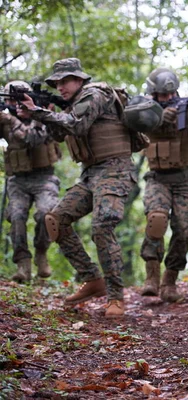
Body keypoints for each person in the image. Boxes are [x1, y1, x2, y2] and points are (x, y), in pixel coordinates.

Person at [20, 58, 137, 317]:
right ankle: (92, 278)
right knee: (55, 220)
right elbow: (58, 135)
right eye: (56, 83)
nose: (60, 87)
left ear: (80, 79)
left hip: (115, 169)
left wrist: (41, 112)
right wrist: (40, 112)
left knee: (102, 225)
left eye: (65, 81)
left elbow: (77, 124)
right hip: (91, 173)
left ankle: (116, 296)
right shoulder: (72, 103)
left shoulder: (95, 94)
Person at [140, 68, 188, 302]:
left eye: (170, 94)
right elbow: (131, 129)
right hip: (157, 179)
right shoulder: (144, 110)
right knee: (156, 220)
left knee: (184, 230)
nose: (166, 99)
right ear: (152, 94)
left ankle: (170, 281)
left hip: (186, 179)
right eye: (161, 96)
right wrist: (155, 119)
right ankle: (151, 277)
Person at [0, 81, 61, 283]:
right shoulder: (5, 120)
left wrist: (37, 113)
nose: (17, 106)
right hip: (18, 179)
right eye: (12, 101)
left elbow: (33, 139)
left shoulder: (43, 117)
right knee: (17, 217)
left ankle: (41, 252)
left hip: (44, 177)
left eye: (21, 100)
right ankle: (23, 265)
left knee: (46, 214)